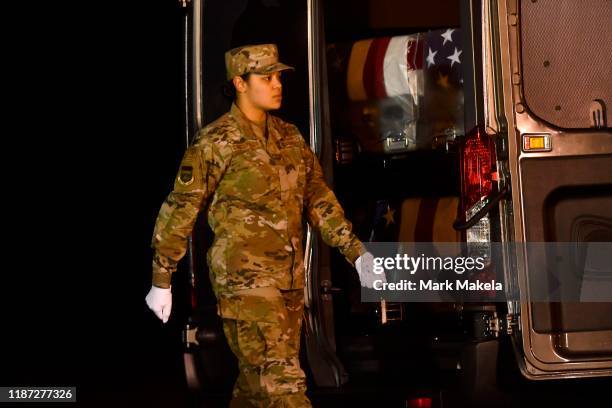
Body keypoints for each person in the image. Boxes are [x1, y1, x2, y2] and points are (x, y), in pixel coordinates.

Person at [145, 43, 381, 408]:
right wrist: (162, 278)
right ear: (239, 83)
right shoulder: (216, 142)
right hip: (245, 285)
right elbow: (180, 209)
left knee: (256, 388)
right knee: (283, 385)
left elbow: (317, 200)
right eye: (266, 77)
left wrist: (356, 253)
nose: (277, 85)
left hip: (288, 282)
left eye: (278, 77)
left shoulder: (289, 138)